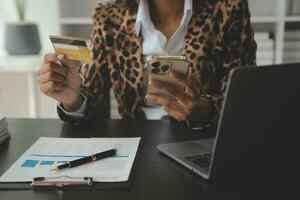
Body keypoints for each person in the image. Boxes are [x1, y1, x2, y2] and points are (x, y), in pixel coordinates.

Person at [37, 0, 256, 128]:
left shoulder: (228, 8)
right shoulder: (109, 16)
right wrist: (74, 100)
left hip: (200, 144)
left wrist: (204, 110)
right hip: (133, 147)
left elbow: (242, 99)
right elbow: (93, 101)